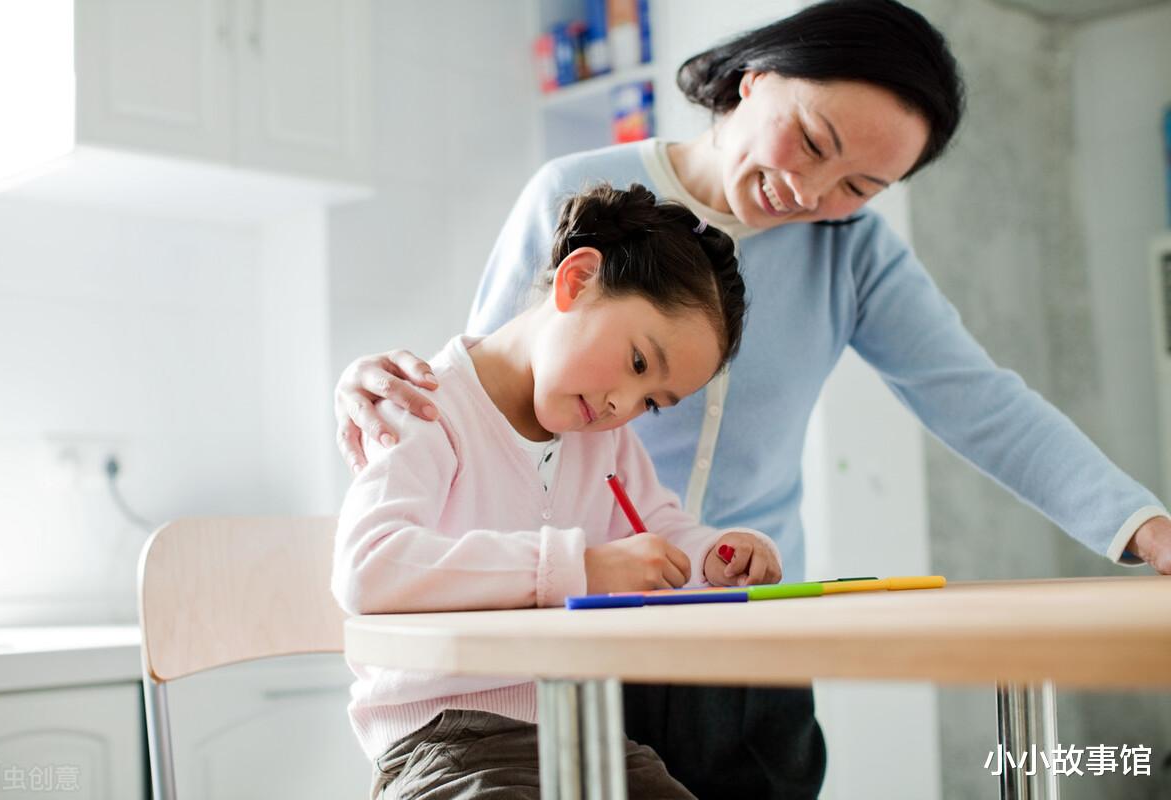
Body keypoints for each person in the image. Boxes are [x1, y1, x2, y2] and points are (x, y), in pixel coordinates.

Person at [332, 1, 1171, 797]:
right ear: (757, 78)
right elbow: (502, 397)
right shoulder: (583, 190)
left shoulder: (853, 253)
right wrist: (376, 385)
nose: (813, 196)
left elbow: (982, 403)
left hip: (751, 636)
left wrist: (1140, 523)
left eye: (860, 186)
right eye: (812, 141)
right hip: (587, 633)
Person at [331, 182, 781, 799]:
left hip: (579, 731)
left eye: (651, 402)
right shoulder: (425, 407)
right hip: (444, 742)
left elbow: (661, 531)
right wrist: (580, 568)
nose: (624, 403)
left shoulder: (608, 443)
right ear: (577, 280)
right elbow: (368, 569)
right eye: (639, 363)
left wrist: (718, 556)